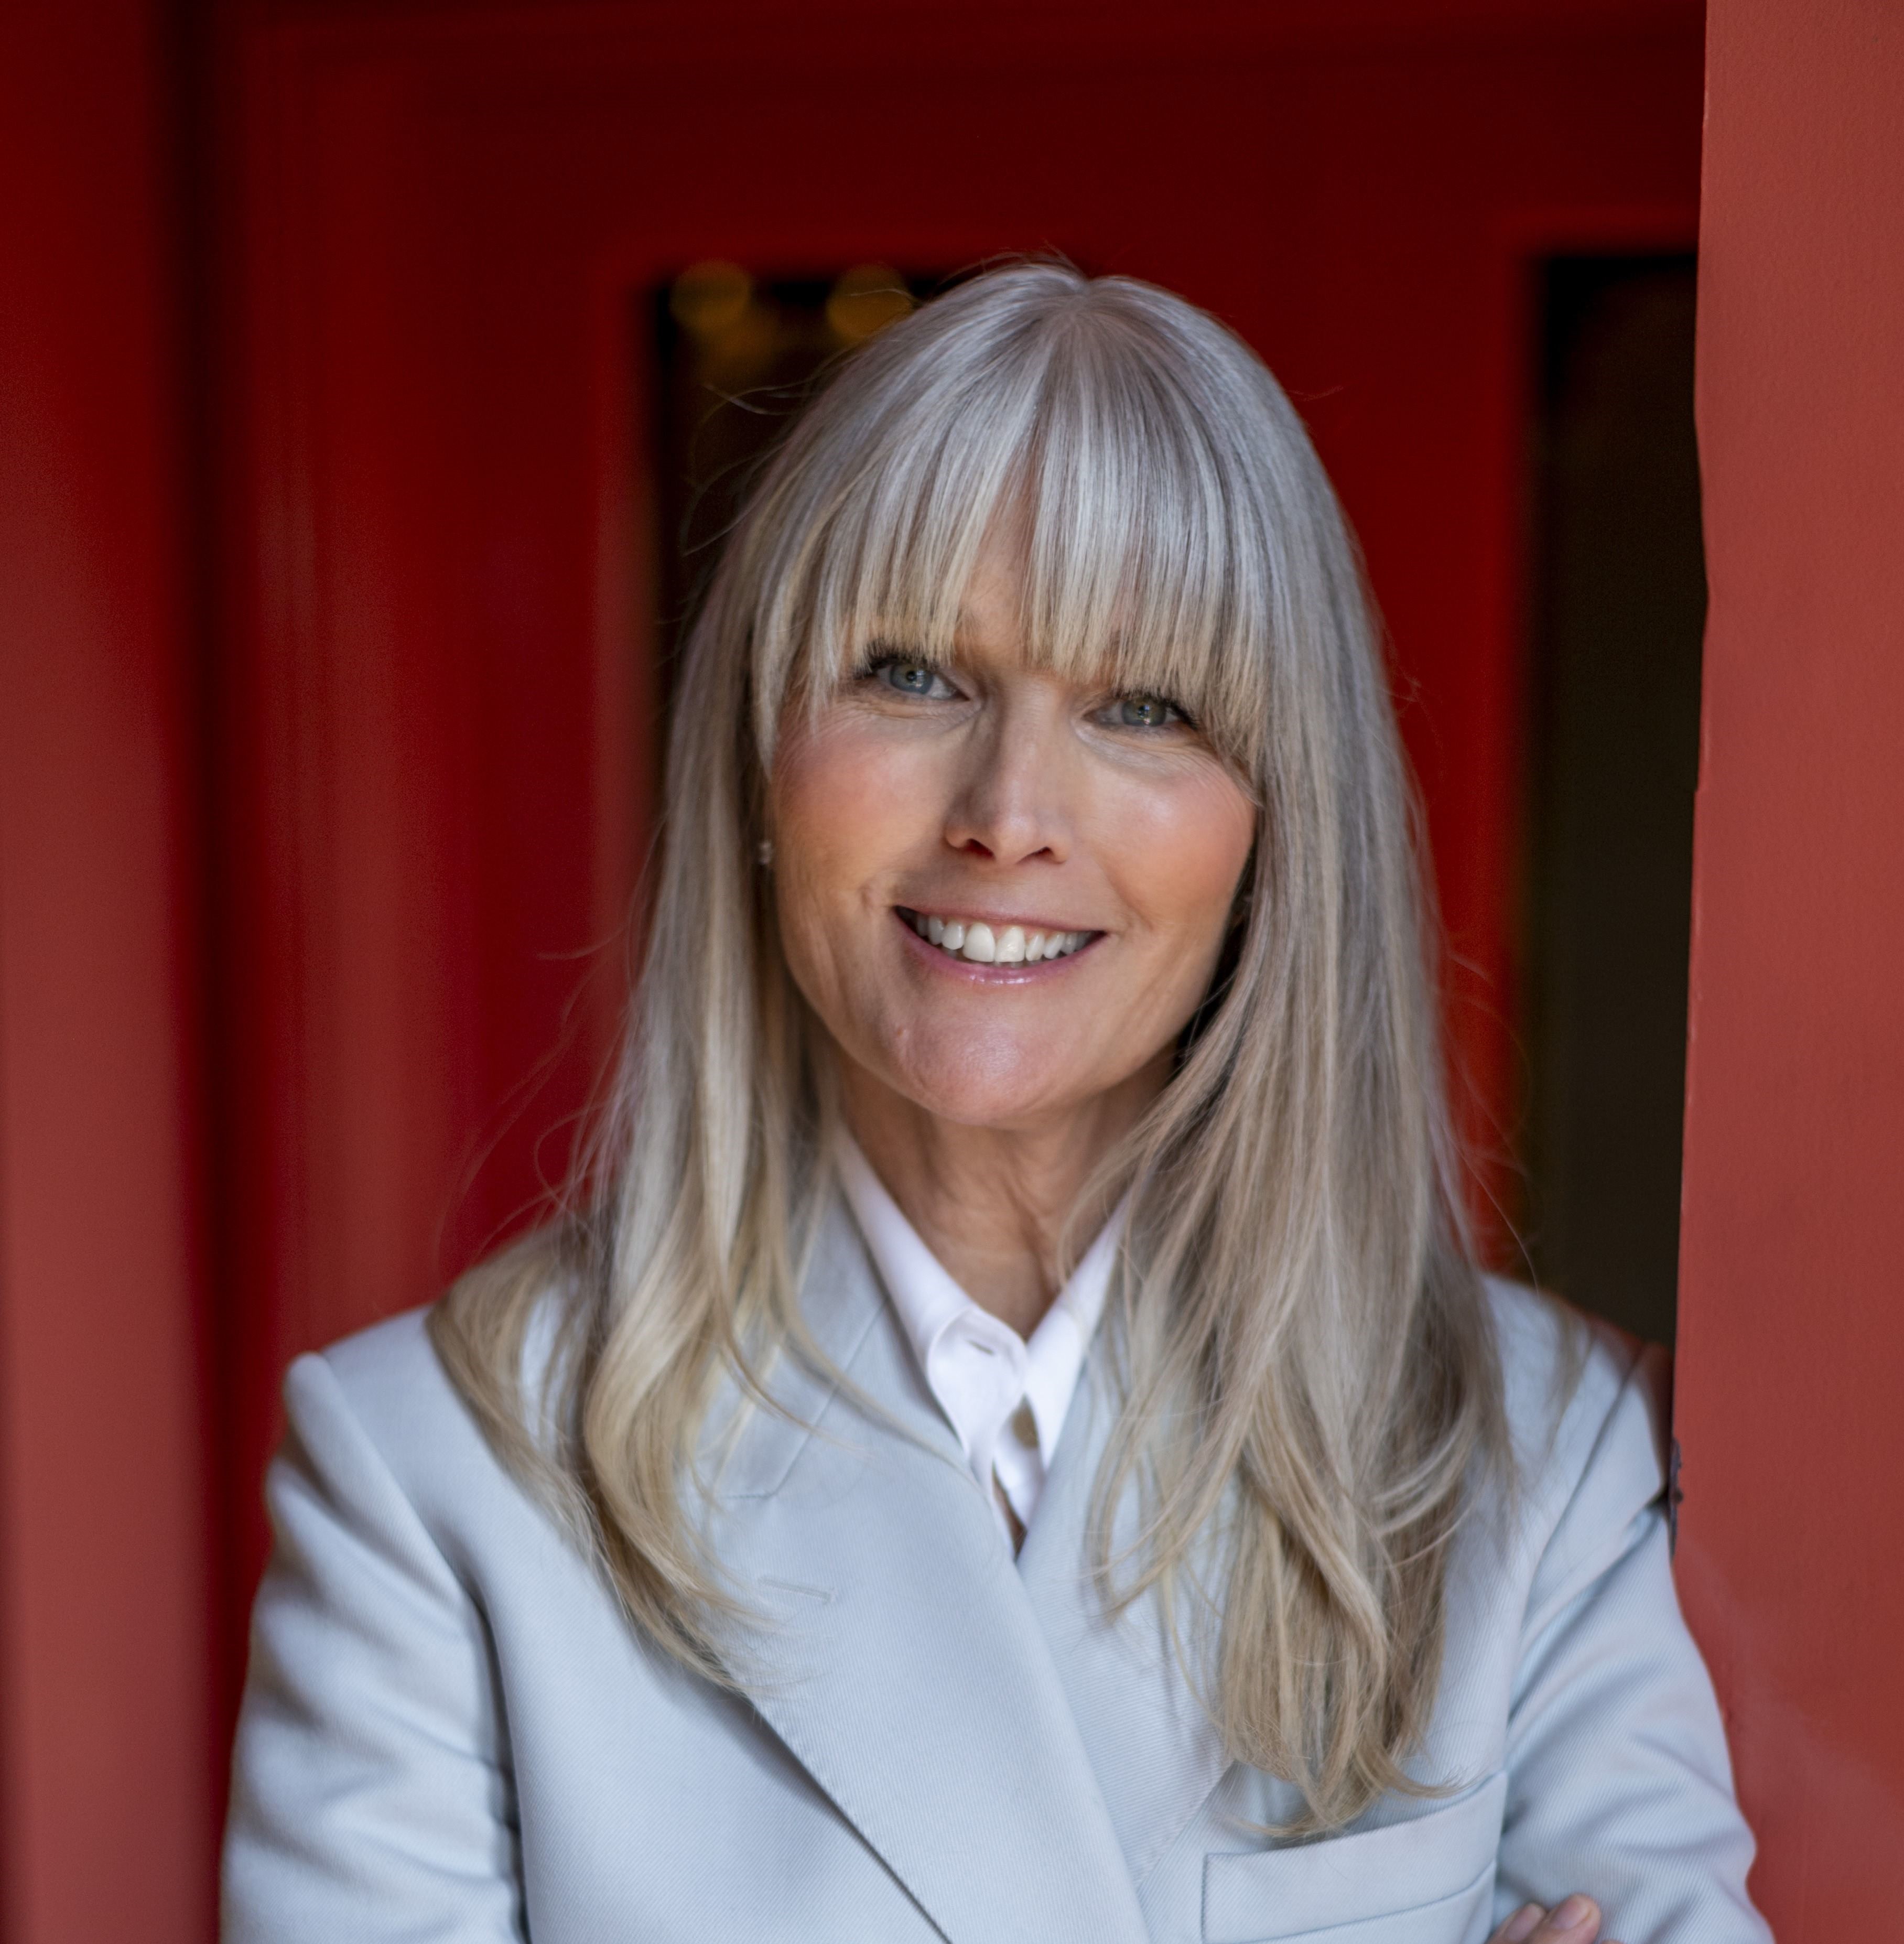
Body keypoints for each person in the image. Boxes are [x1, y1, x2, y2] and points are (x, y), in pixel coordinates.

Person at [221, 263, 1769, 1944]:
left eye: (1142, 704)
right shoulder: (438, 1478)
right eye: (909, 674)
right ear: (758, 755)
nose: (1010, 811)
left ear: (1273, 834)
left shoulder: (1543, 1465)